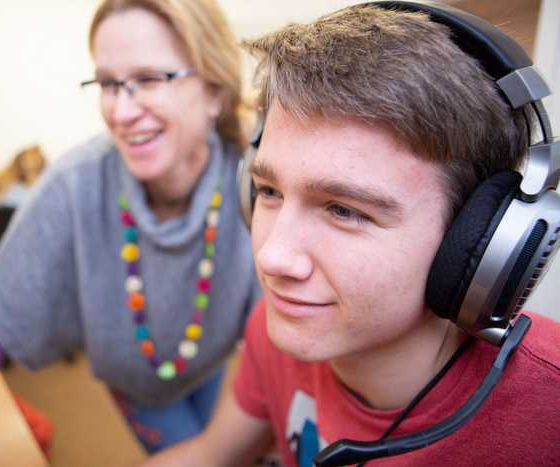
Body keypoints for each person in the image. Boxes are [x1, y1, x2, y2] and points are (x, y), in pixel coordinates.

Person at [143, 3, 560, 467]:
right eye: (268, 191)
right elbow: (212, 454)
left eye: (344, 210)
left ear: (481, 240)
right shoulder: (279, 325)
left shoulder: (549, 417)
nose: (273, 258)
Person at [0, 0, 261, 465]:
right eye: (108, 84)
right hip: (138, 383)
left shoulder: (255, 175)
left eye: (150, 79)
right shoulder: (76, 183)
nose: (120, 111)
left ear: (215, 90)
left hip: (208, 364)